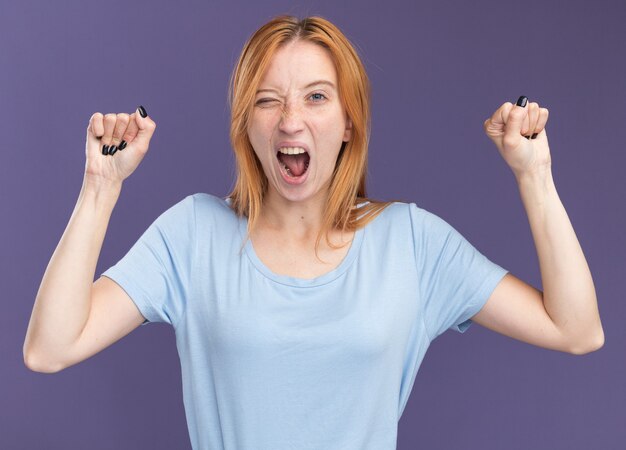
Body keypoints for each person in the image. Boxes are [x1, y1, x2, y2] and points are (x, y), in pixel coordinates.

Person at [24, 15, 604, 450]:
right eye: (267, 100)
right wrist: (100, 185)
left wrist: (536, 175)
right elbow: (49, 348)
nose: (291, 119)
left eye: (317, 98)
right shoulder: (192, 235)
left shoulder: (412, 243)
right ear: (247, 124)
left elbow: (576, 329)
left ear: (349, 121)